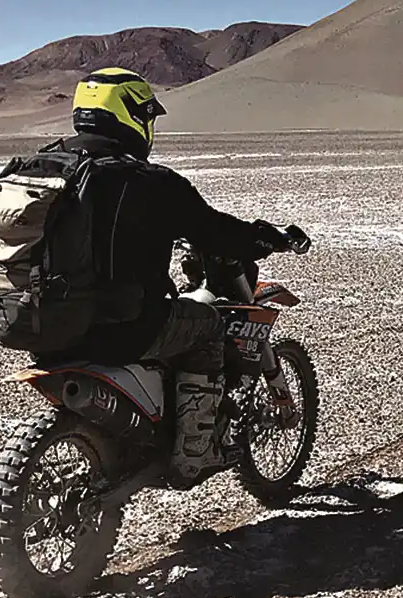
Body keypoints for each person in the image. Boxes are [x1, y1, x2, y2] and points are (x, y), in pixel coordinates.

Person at [51, 67, 297, 482]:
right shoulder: (146, 181)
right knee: (209, 327)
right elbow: (215, 231)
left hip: (43, 325)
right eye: (146, 117)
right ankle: (192, 454)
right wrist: (263, 238)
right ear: (131, 116)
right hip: (118, 326)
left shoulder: (46, 167)